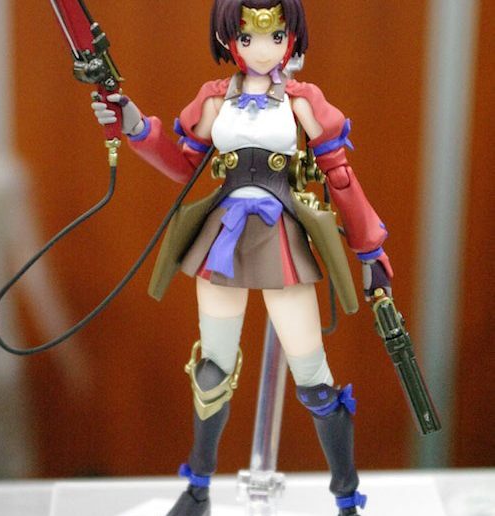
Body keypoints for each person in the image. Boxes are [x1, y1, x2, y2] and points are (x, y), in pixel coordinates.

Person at [92, 1, 392, 514]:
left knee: (314, 379)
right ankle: (198, 489)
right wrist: (135, 124)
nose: (262, 49)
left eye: (276, 36)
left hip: (281, 238)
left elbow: (340, 177)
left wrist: (370, 250)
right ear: (229, 39)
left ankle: (347, 499)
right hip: (224, 239)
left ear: (291, 37)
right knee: (212, 370)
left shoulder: (302, 101)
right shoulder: (215, 100)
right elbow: (183, 163)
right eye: (248, 38)